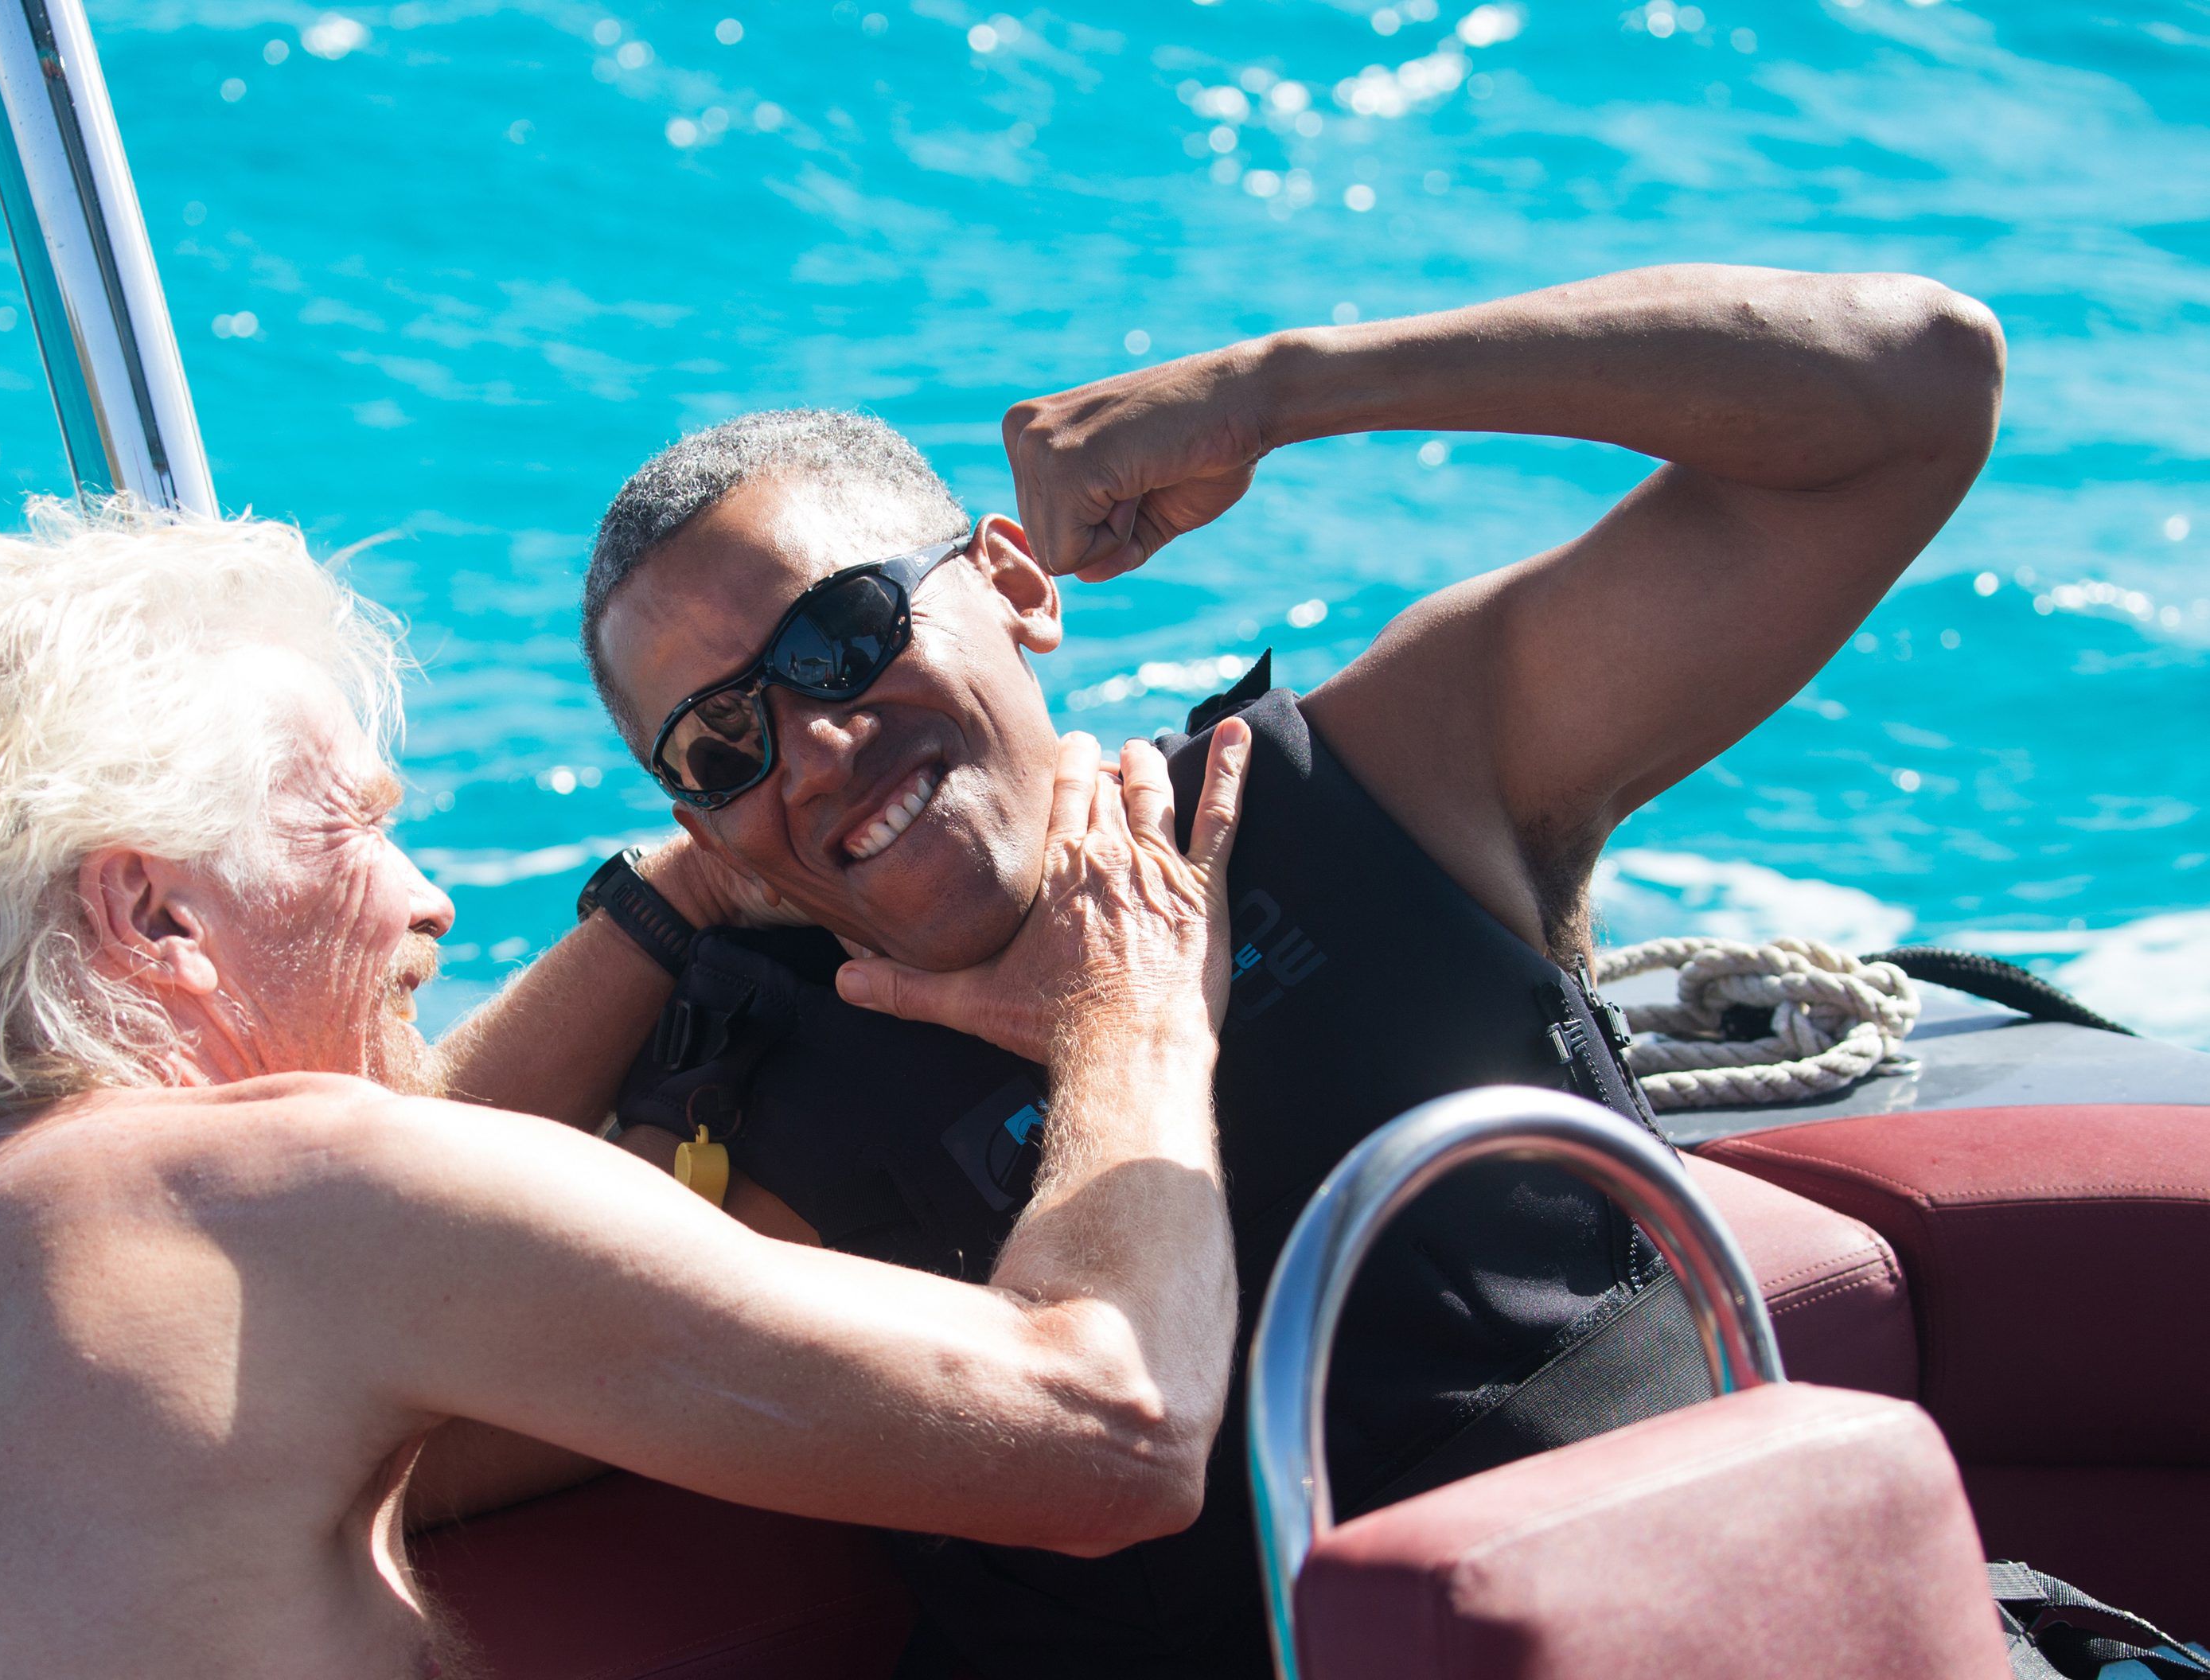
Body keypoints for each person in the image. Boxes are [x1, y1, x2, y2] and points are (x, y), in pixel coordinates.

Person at [578, 264, 2005, 1675]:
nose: (817, 747)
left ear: (1015, 585)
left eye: (840, 635)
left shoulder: (1385, 790)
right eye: (720, 745)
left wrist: (1291, 389)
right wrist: (651, 912)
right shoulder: (762, 1156)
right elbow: (396, 1324)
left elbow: (1917, 388)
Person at [0, 501, 1256, 1677]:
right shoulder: (293, 1202)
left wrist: (681, 898)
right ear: (154, 920)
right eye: (351, 830)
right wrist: (1135, 1004)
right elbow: (1109, 1429)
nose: (428, 902)